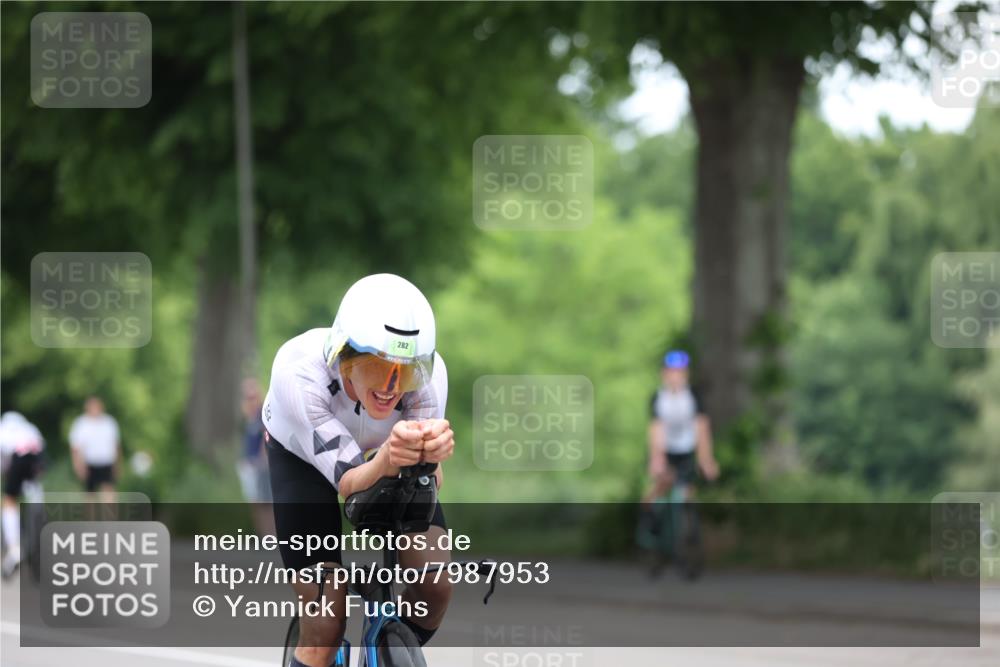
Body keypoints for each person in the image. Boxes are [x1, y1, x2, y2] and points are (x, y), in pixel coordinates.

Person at [263, 273, 454, 667]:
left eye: (408, 370)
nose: (391, 386)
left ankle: (388, 648)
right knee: (326, 625)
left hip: (390, 455)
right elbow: (349, 483)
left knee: (435, 586)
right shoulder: (299, 375)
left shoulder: (430, 380)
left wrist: (431, 458)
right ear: (343, 355)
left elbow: (427, 478)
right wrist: (388, 458)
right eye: (375, 366)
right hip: (303, 461)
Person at [645, 350, 719, 503]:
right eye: (671, 372)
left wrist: (705, 459)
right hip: (667, 450)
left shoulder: (693, 396)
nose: (675, 377)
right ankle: (648, 518)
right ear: (664, 374)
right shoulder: (658, 397)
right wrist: (656, 457)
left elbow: (702, 428)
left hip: (687, 450)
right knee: (659, 488)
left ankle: (686, 523)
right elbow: (656, 430)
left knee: (687, 493)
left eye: (680, 372)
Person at [1, 411, 45, 577]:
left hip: (17, 458)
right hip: (36, 460)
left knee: (9, 501)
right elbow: (40, 453)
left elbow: (4, 461)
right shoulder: (30, 428)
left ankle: (14, 548)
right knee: (35, 500)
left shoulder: (3, 429)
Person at [237, 378, 274, 536]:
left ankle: (271, 534)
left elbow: (266, 435)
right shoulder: (248, 417)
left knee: (266, 501)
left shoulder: (261, 414)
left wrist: (263, 456)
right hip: (248, 464)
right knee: (255, 501)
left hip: (261, 464)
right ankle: (263, 534)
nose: (250, 399)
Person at [69, 396, 121, 499]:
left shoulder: (109, 422)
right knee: (90, 494)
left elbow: (116, 445)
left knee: (108, 490)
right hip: (89, 463)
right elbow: (75, 448)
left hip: (107, 462)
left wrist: (117, 464)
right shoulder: (81, 424)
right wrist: (77, 465)